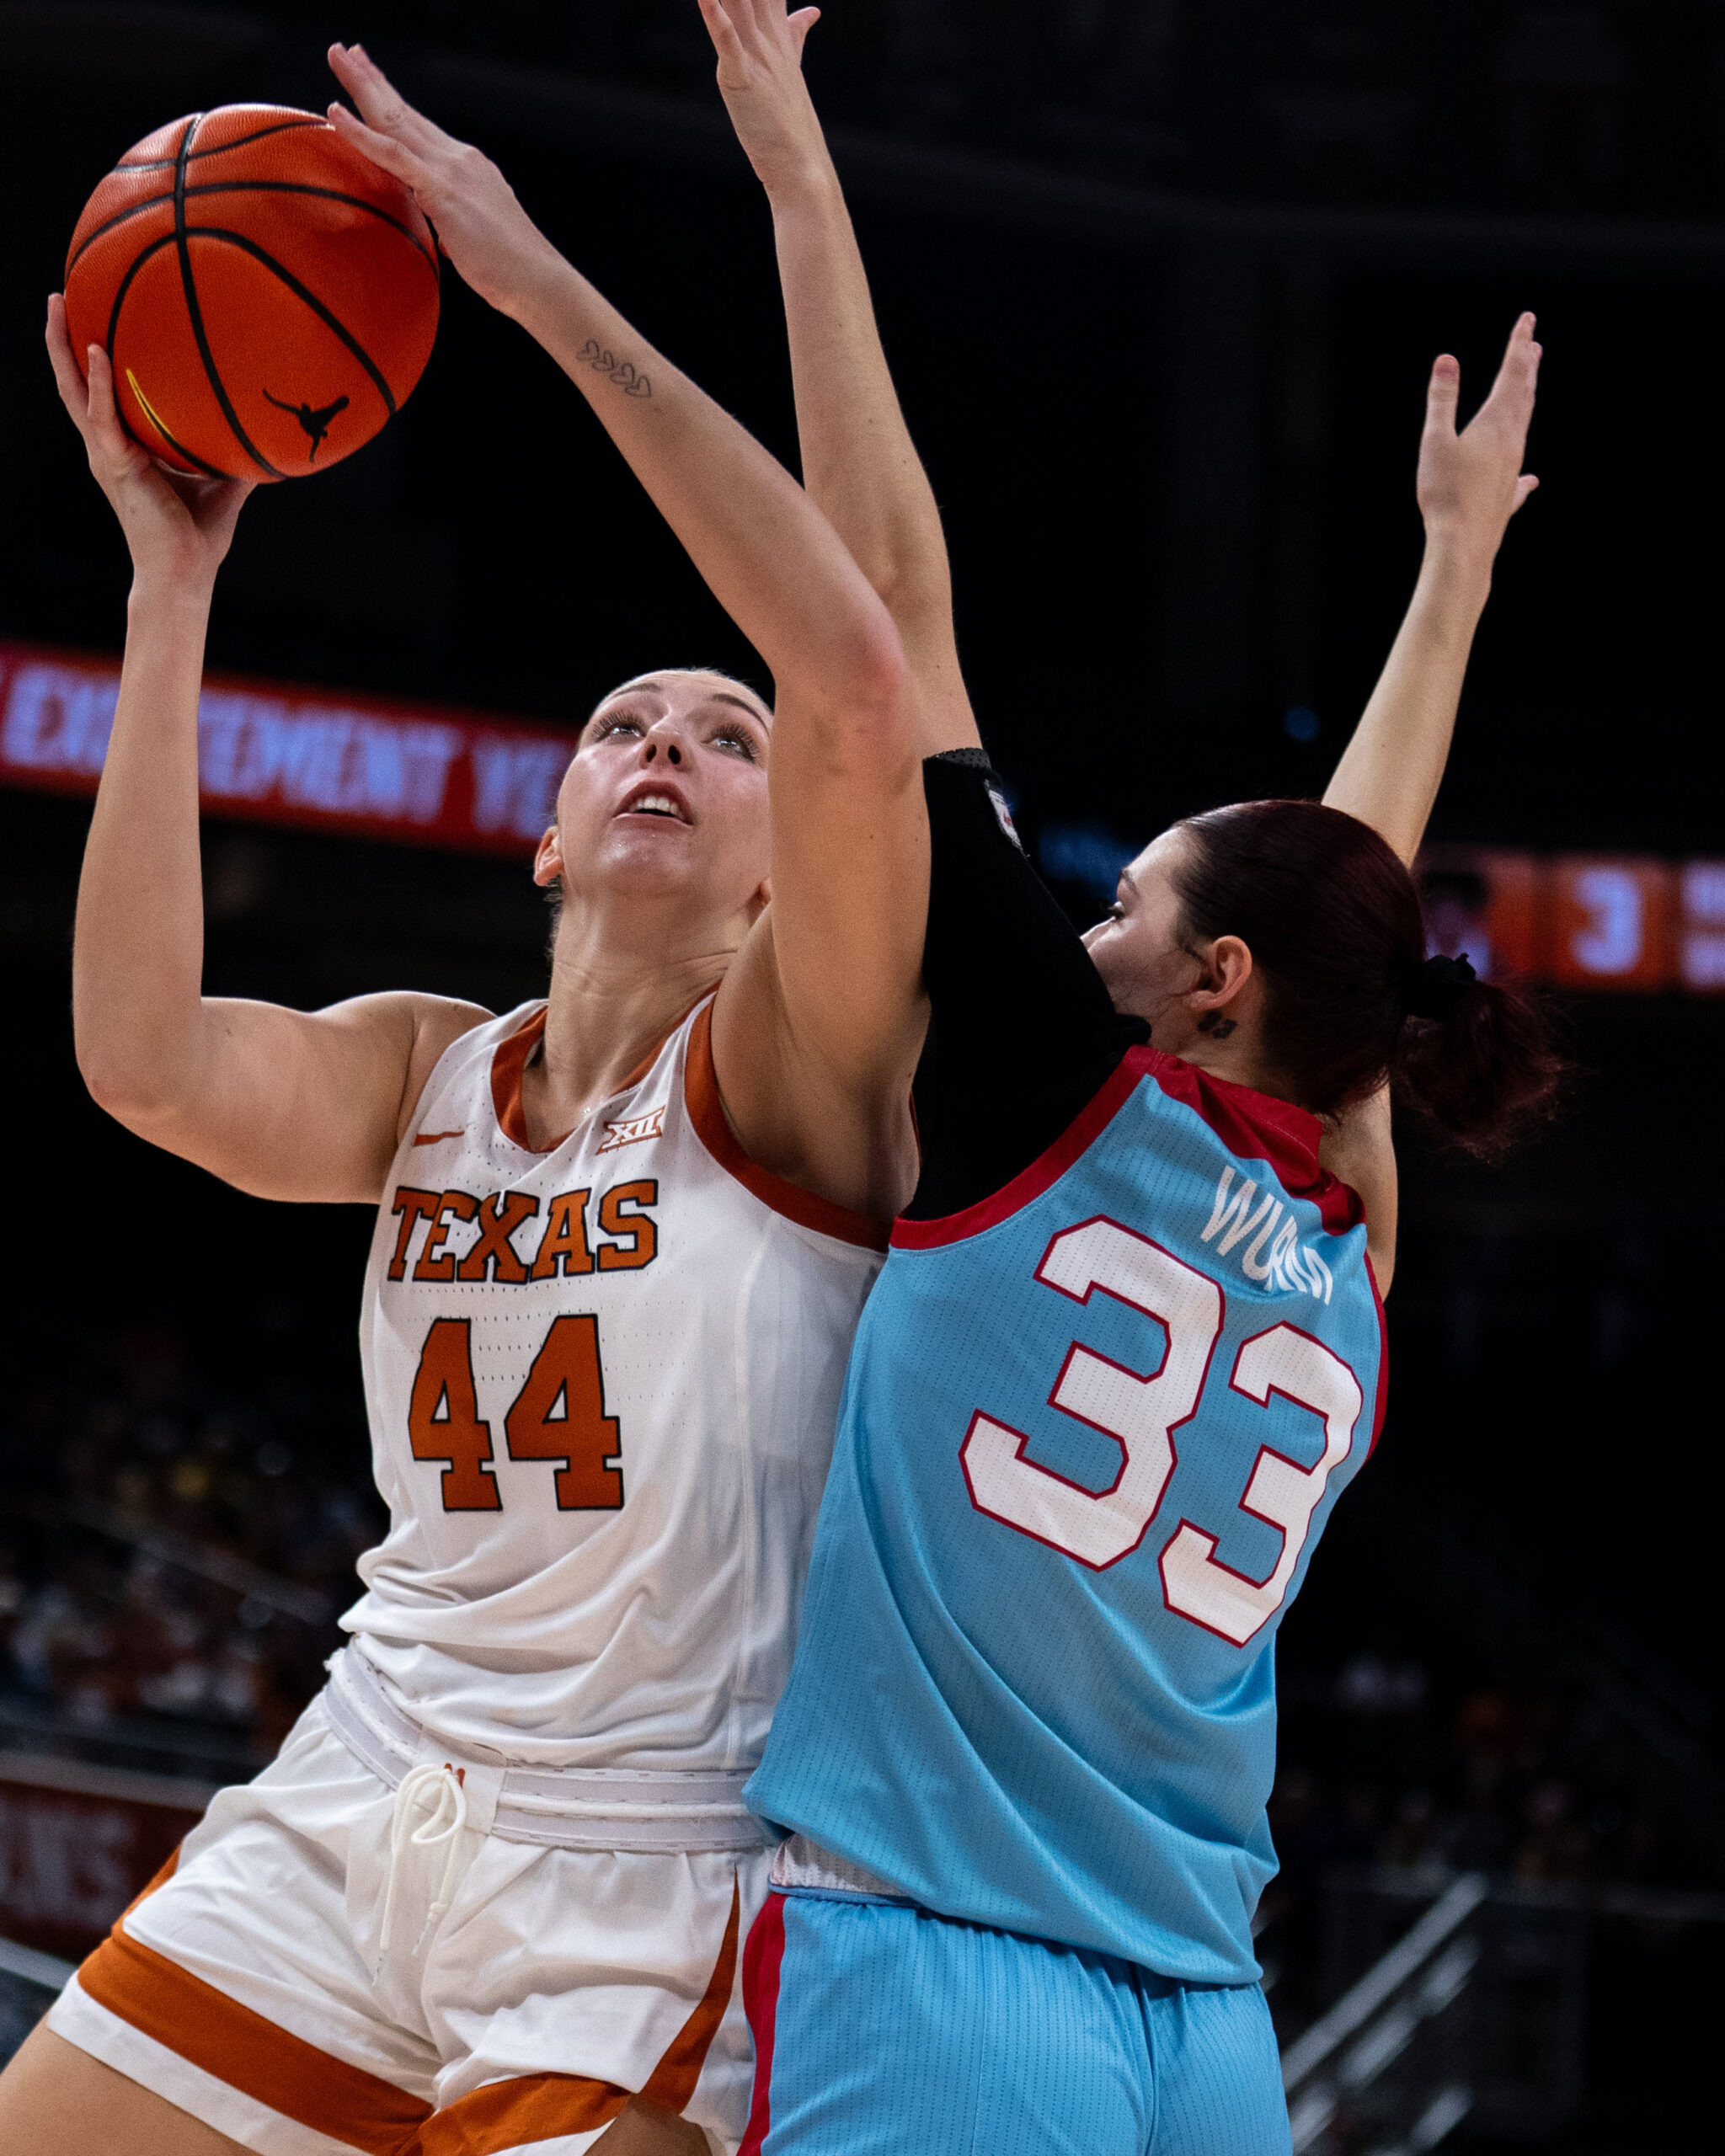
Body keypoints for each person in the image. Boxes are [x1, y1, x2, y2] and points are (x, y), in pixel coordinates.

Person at [2, 43, 930, 2156]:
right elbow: (145, 1061)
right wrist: (173, 593)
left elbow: (867, 679)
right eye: (622, 719)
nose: (667, 740)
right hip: (364, 1777)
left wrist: (533, 287)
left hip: (654, 1861)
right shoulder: (434, 1066)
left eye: (722, 725)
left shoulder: (795, 1065)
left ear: (798, 858)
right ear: (545, 831)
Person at [686, 8, 1562, 2153]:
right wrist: (1452, 572)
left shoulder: (1054, 1100)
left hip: (938, 1947)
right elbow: (1353, 909)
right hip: (1202, 2015)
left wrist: (802, 190)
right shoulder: (1345, 1249)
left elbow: (890, 610)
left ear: (1206, 985)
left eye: (1127, 914)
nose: (1081, 939)